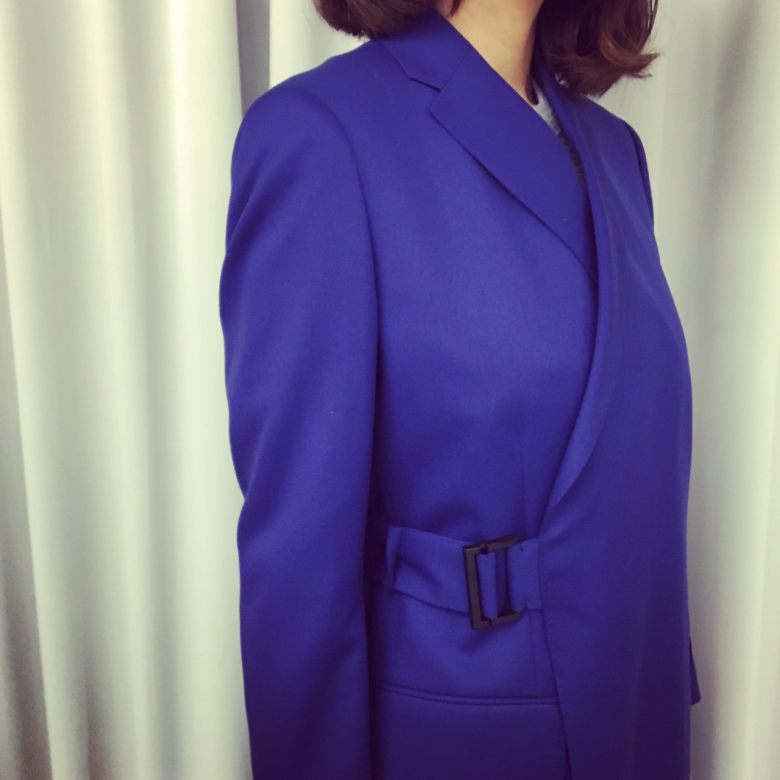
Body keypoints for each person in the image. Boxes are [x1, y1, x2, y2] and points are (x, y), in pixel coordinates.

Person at [219, 1, 701, 778]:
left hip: (634, 716)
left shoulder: (617, 154)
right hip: (465, 732)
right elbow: (298, 563)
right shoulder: (319, 134)